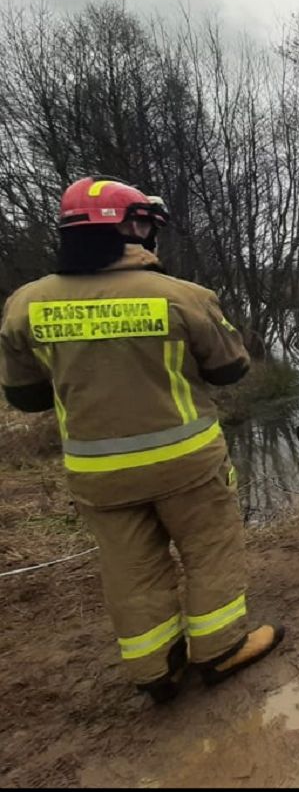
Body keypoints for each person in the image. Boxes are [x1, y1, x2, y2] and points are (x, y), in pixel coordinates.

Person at [0, 176, 283, 705]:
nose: (151, 235)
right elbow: (229, 369)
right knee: (209, 551)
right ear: (131, 228)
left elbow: (24, 396)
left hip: (97, 474)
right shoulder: (182, 297)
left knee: (129, 567)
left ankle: (155, 669)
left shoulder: (26, 304)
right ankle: (219, 649)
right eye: (147, 224)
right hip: (187, 464)